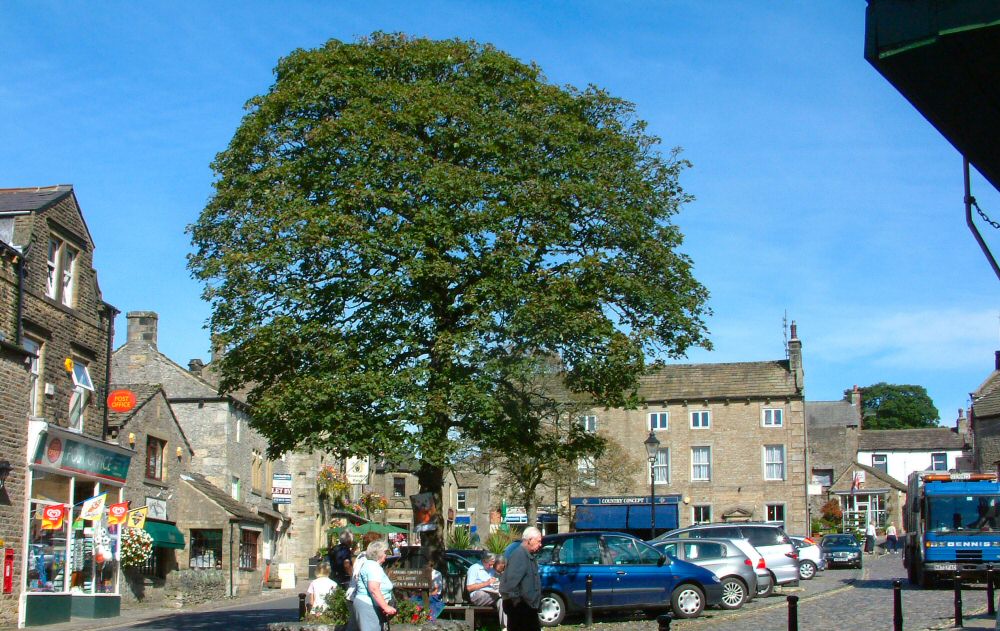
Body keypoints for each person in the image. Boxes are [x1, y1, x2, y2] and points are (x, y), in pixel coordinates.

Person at [500, 527, 542, 631]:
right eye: (539, 541)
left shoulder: (528, 555)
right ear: (530, 540)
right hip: (521, 609)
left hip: (528, 607)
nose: (540, 544)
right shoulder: (519, 555)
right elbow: (510, 584)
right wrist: (517, 603)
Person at [351, 540, 396, 631]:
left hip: (370, 605)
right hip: (368, 606)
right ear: (379, 553)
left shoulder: (372, 565)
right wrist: (385, 607)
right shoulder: (372, 567)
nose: (386, 555)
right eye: (385, 552)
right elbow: (374, 589)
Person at [494, 556, 508, 630]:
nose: (504, 567)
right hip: (494, 596)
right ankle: (505, 627)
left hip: (503, 594)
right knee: (502, 601)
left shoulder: (504, 574)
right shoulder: (491, 573)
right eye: (502, 565)